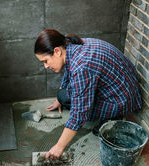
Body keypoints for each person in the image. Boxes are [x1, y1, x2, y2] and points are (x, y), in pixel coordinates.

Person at [34, 29, 142, 159]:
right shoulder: (70, 45)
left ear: (57, 51)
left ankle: (113, 118)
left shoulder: (82, 66)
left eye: (45, 61)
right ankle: (107, 112)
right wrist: (59, 99)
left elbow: (79, 114)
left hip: (123, 99)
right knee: (64, 96)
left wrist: (59, 147)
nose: (45, 66)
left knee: (77, 107)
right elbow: (68, 71)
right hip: (121, 86)